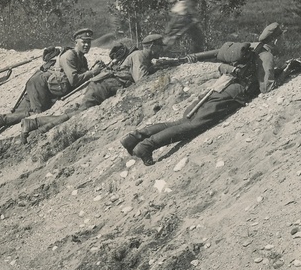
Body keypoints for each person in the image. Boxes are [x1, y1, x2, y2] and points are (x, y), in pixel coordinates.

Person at [120, 23, 282, 166]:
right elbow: (266, 88)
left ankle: (135, 137)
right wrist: (284, 73)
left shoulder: (248, 47)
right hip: (232, 94)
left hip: (218, 87)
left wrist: (189, 58)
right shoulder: (266, 56)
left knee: (183, 120)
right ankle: (146, 146)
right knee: (191, 126)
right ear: (275, 40)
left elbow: (216, 54)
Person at [17, 34, 190, 142]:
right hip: (103, 88)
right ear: (152, 46)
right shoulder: (139, 56)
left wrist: (157, 66)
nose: (161, 50)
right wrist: (158, 70)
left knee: (77, 112)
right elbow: (141, 81)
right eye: (160, 47)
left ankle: (36, 124)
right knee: (78, 115)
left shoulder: (141, 57)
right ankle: (35, 124)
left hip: (103, 87)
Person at [0, 29, 104, 141]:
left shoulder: (82, 59)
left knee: (18, 113)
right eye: (83, 42)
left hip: (40, 84)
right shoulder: (69, 56)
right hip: (39, 85)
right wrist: (92, 72)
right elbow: (74, 80)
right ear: (76, 42)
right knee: (34, 113)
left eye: (88, 42)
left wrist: (94, 71)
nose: (86, 45)